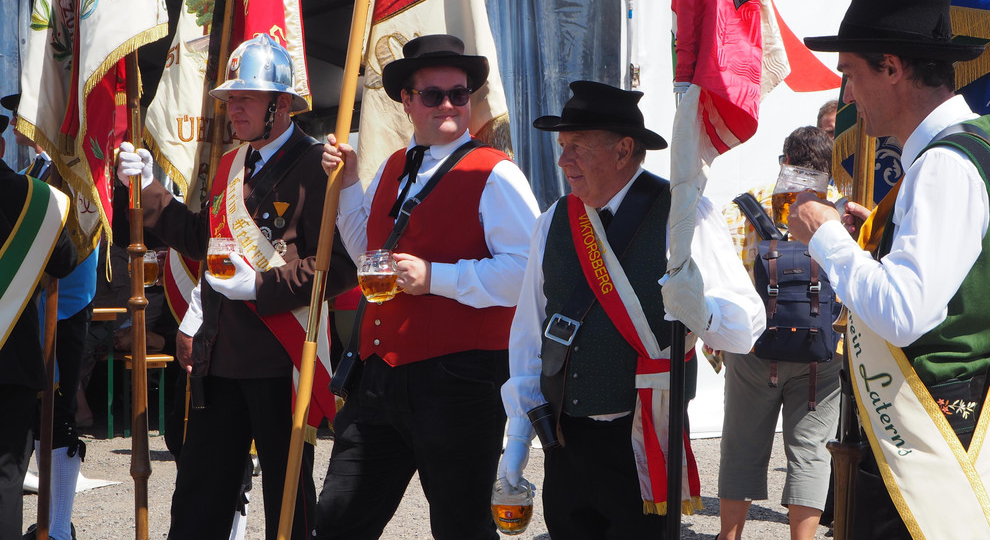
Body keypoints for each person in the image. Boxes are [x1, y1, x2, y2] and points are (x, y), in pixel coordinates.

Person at [793, 0, 990, 539]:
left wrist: (826, 238)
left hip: (925, 441)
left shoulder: (945, 166)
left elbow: (902, 312)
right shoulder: (987, 145)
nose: (848, 96)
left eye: (852, 74)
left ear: (893, 68)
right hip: (954, 425)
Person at [498, 80, 765, 540]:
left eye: (577, 147)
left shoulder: (684, 215)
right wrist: (518, 442)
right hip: (566, 442)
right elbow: (531, 336)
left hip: (646, 442)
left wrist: (702, 311)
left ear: (623, 150)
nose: (563, 161)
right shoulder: (552, 221)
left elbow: (747, 327)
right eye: (562, 147)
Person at [117, 33, 357, 540]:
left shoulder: (318, 166)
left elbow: (339, 267)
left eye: (246, 97)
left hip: (281, 356)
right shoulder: (231, 163)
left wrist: (262, 286)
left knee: (288, 505)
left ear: (281, 105)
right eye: (230, 99)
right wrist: (149, 190)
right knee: (200, 497)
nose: (234, 108)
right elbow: (201, 240)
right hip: (220, 356)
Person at [316, 34, 540, 540]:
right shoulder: (393, 166)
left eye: (459, 94)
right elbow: (368, 251)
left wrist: (435, 277)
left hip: (459, 381)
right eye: (433, 94)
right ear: (407, 100)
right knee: (336, 521)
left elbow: (527, 274)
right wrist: (349, 184)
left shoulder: (496, 173)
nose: (448, 105)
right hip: (378, 376)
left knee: (461, 527)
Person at [717, 126, 842, 540]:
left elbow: (718, 281)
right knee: (811, 451)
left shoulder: (742, 208)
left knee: (741, 444)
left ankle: (730, 536)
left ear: (785, 160)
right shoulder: (843, 210)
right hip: (821, 353)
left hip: (754, 349)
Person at [2, 93, 97, 540]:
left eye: (24, 113)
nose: (16, 122)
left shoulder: (75, 174)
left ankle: (57, 527)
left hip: (60, 310)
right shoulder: (31, 178)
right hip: (23, 320)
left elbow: (75, 255)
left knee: (56, 416)